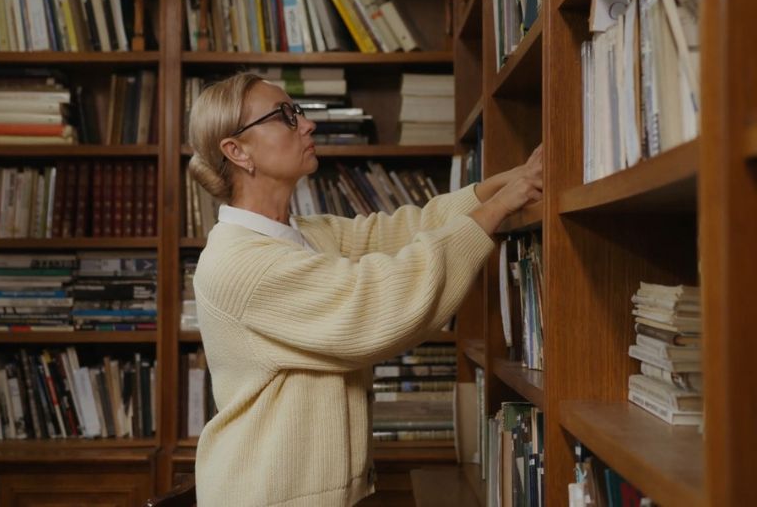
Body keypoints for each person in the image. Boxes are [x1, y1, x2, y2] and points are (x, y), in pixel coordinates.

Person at [188, 72, 543, 506]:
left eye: (297, 110)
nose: (306, 124)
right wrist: (498, 210)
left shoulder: (303, 234)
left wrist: (500, 185)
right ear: (237, 150)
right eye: (284, 116)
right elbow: (376, 303)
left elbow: (396, 233)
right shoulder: (240, 264)